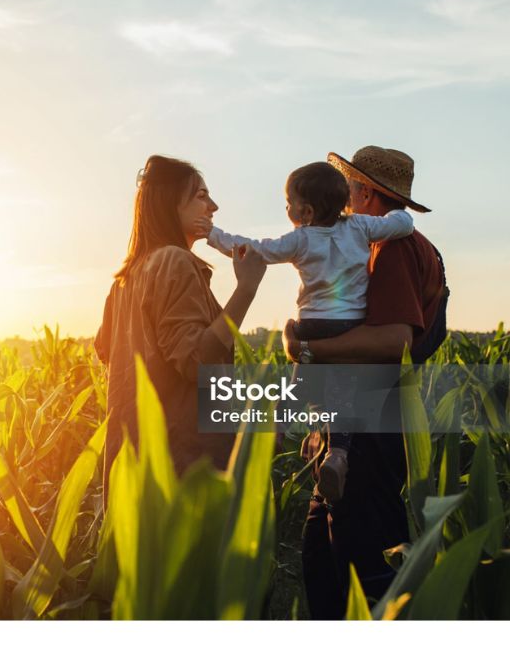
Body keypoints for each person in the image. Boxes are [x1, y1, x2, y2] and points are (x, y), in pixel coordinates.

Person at [281, 145, 449, 620]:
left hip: (370, 430)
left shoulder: (393, 249)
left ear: (367, 193)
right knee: (323, 555)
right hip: (356, 425)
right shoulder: (384, 244)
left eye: (348, 186)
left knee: (362, 568)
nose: (343, 195)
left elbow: (394, 340)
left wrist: (310, 350)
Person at [203, 161, 414, 501]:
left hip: (312, 323)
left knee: (299, 383)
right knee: (344, 396)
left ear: (306, 210)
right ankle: (339, 454)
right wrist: (393, 217)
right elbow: (403, 223)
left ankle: (277, 428)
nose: (287, 209)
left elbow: (252, 249)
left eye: (289, 203)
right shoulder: (360, 227)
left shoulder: (300, 239)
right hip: (348, 324)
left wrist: (211, 234)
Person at [94, 154, 267, 496]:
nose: (213, 207)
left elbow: (105, 349)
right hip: (181, 466)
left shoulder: (125, 279)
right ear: (171, 203)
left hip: (131, 466)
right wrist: (246, 289)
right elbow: (196, 359)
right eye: (202, 196)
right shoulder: (175, 261)